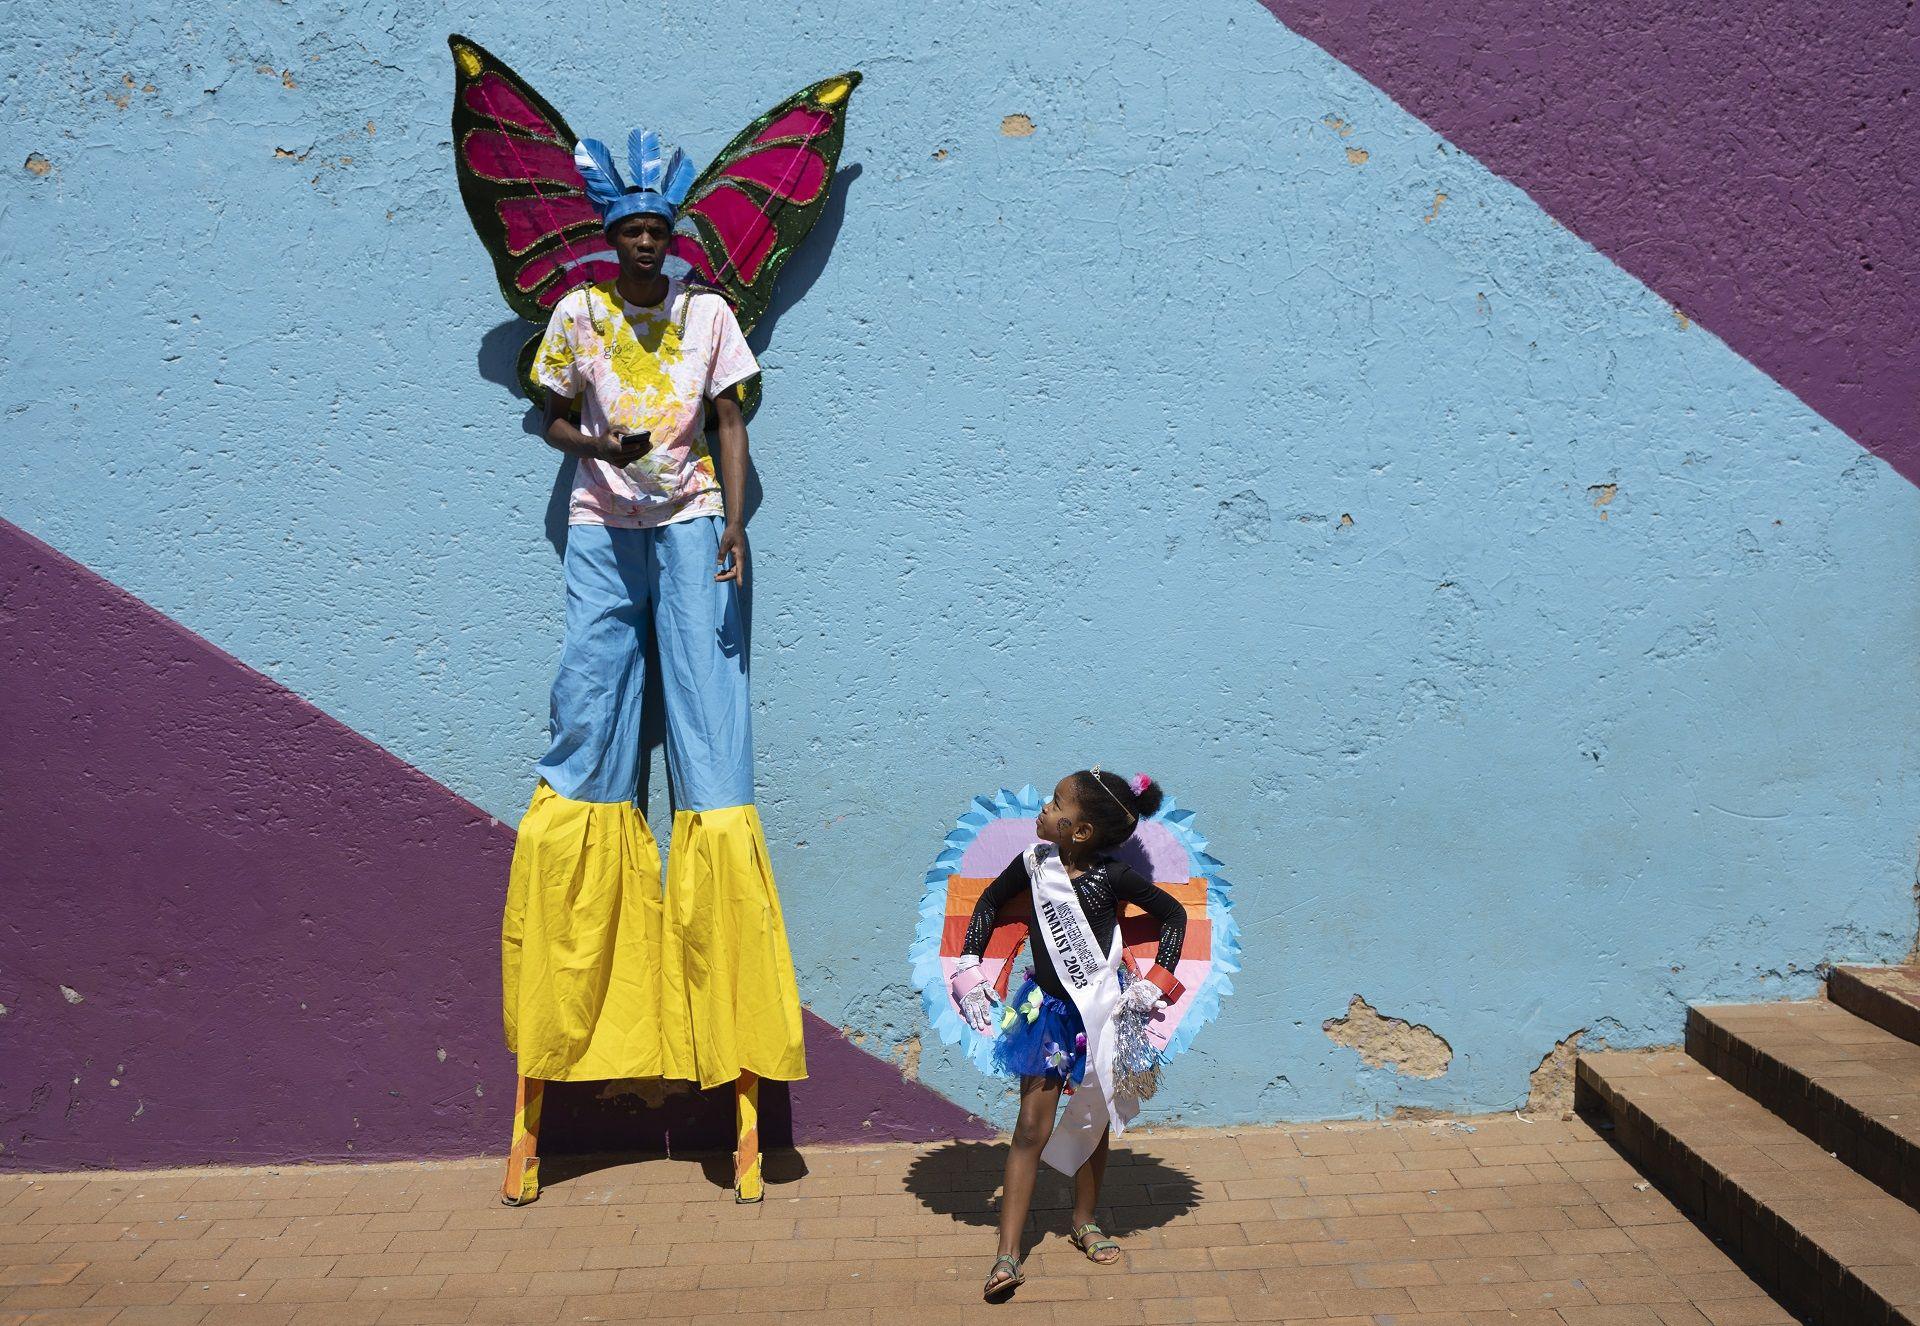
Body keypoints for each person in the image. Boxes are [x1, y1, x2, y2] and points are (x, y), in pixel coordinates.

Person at [500, 129, 805, 1114]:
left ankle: (730, 1020)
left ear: (671, 240)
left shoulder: (707, 313)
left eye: (656, 231)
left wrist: (736, 518)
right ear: (610, 234)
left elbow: (729, 417)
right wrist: (595, 440)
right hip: (602, 527)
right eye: (628, 229)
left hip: (690, 524)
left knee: (712, 734)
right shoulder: (578, 313)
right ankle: (578, 999)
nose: (642, 244)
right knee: (587, 718)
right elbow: (542, 413)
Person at [951, 769, 1188, 1300]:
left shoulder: (1113, 877)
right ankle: (1007, 1252)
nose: (1043, 806)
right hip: (1047, 1017)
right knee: (1030, 1129)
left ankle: (1084, 1221)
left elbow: (1173, 915)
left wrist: (1157, 982)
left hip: (1100, 1016)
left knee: (1093, 1121)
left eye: (1056, 802)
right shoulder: (1033, 865)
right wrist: (969, 962)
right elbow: (988, 903)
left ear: (1078, 831)